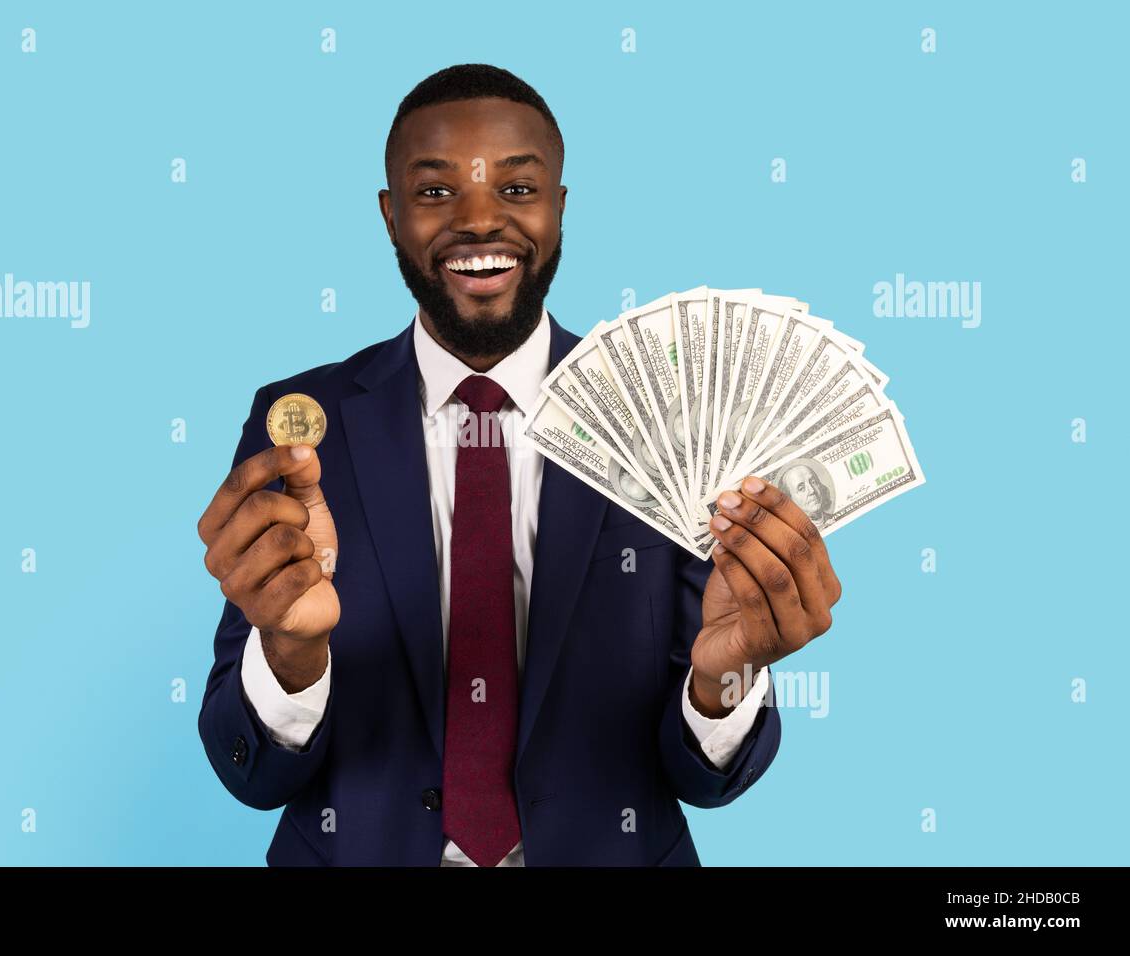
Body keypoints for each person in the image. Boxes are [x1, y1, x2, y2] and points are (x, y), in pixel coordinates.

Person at [196, 64, 842, 866]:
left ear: (560, 209)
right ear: (390, 217)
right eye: (435, 194)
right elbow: (247, 772)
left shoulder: (670, 421)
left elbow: (705, 780)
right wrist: (290, 661)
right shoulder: (298, 427)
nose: (477, 221)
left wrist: (726, 679)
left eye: (516, 188)